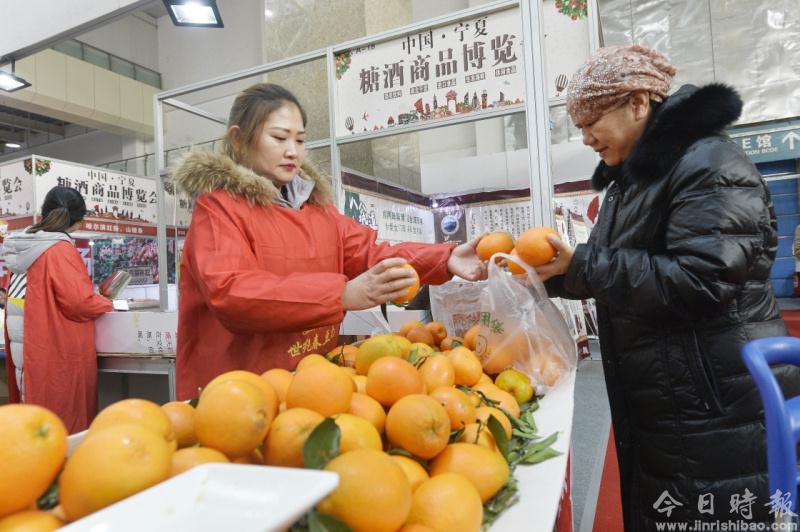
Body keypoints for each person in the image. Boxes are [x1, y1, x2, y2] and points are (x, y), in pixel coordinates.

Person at [536, 45, 800, 529]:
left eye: (592, 120)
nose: (586, 137)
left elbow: (701, 281)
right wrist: (553, 274)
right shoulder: (630, 182)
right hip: (672, 402)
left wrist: (586, 264)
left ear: (638, 102)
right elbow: (619, 271)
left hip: (717, 406)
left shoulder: (708, 164)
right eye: (578, 126)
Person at [173, 83, 486, 400]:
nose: (293, 151)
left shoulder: (319, 212)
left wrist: (445, 258)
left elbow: (372, 253)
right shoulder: (219, 209)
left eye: (300, 140)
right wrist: (342, 294)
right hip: (235, 393)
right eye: (279, 138)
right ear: (239, 140)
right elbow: (232, 293)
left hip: (311, 387)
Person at [3, 186, 113, 433]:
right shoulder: (59, 249)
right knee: (59, 421)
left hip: (27, 345)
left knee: (31, 415)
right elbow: (78, 302)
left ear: (44, 213)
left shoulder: (24, 246)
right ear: (79, 220)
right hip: (54, 347)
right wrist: (107, 302)